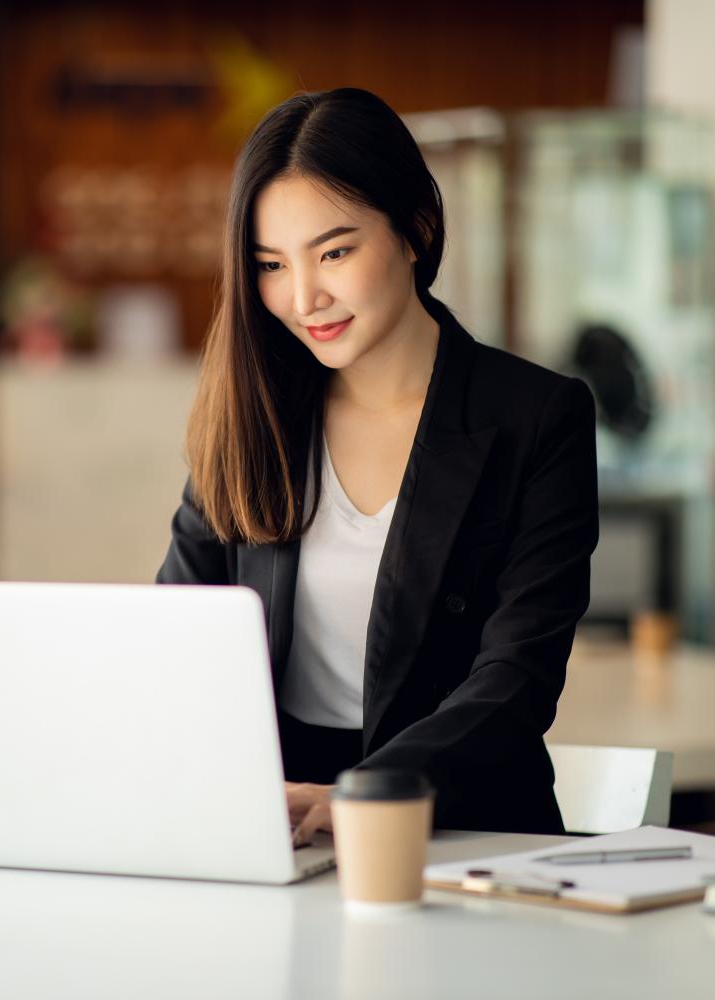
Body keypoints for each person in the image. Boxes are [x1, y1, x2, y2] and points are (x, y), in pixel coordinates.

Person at [157, 88, 598, 841]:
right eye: (270, 264)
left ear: (416, 230)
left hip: (460, 822)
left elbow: (516, 679)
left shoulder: (537, 417)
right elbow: (177, 638)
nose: (304, 298)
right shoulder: (251, 415)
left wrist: (369, 792)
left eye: (334, 251)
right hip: (277, 819)